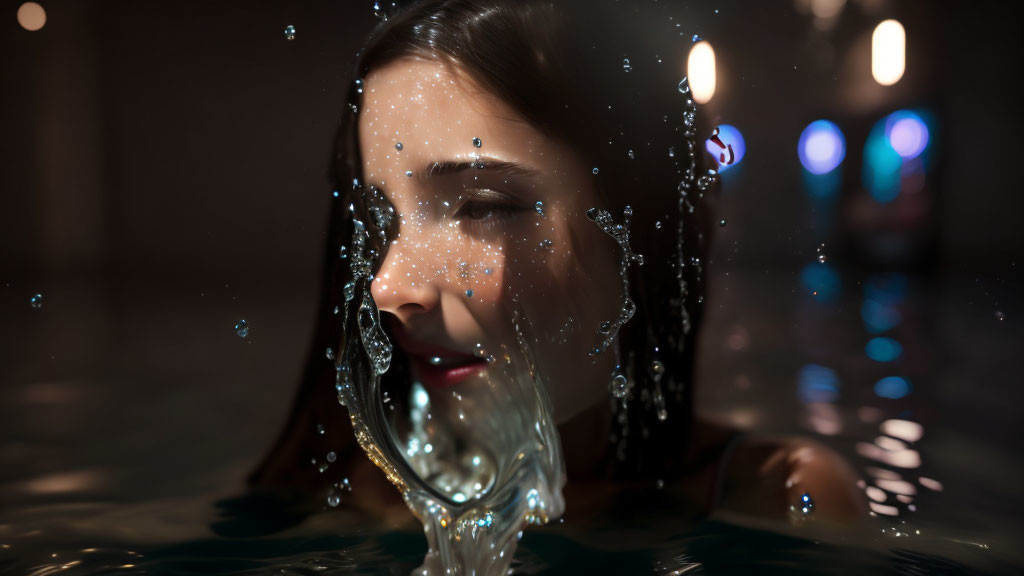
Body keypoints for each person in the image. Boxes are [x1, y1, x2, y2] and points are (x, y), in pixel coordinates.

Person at [250, 0, 864, 530]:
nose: (389, 287)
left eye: (482, 208)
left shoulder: (780, 499)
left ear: (637, 229)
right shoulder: (347, 495)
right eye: (383, 221)